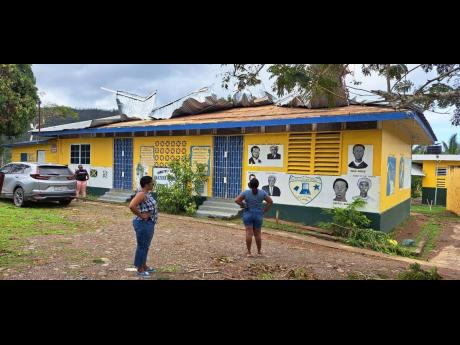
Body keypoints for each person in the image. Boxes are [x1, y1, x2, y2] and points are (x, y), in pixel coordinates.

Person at [235, 178, 273, 257]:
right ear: (257, 185)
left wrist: (243, 205)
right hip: (258, 215)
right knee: (258, 234)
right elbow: (270, 201)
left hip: (248, 214)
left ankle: (249, 253)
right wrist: (264, 210)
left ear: (250, 185)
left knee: (249, 233)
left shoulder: (246, 192)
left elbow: (237, 200)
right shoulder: (262, 193)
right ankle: (259, 252)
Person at [129, 176, 158, 277]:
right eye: (152, 183)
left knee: (146, 246)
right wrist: (141, 215)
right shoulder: (141, 194)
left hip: (149, 223)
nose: (153, 185)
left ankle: (144, 265)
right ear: (146, 185)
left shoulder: (146, 193)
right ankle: (140, 269)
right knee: (142, 246)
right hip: (143, 223)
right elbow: (131, 206)